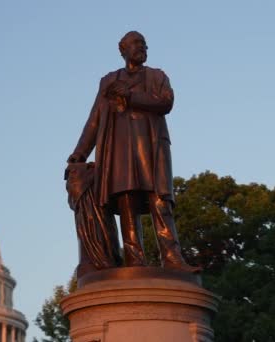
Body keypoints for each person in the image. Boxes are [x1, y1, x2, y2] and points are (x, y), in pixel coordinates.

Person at [68, 31, 200, 273]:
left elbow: (165, 102)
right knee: (126, 202)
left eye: (144, 45)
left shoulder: (157, 76)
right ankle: (134, 260)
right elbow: (95, 118)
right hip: (119, 149)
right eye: (137, 44)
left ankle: (172, 257)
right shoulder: (108, 81)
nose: (142, 48)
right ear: (123, 49)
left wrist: (129, 95)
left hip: (151, 145)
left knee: (160, 200)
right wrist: (80, 152)